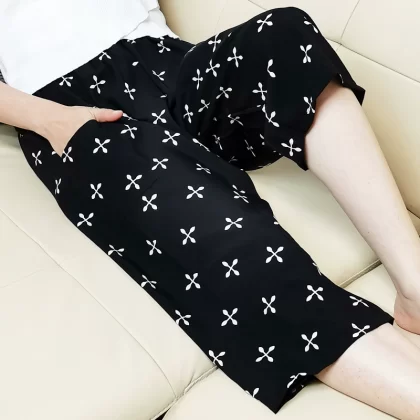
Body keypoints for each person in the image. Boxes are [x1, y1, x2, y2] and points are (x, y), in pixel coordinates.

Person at [2, 1, 420, 418]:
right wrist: (53, 121)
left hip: (168, 58)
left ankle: (414, 286)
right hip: (66, 105)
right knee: (233, 244)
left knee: (285, 34)